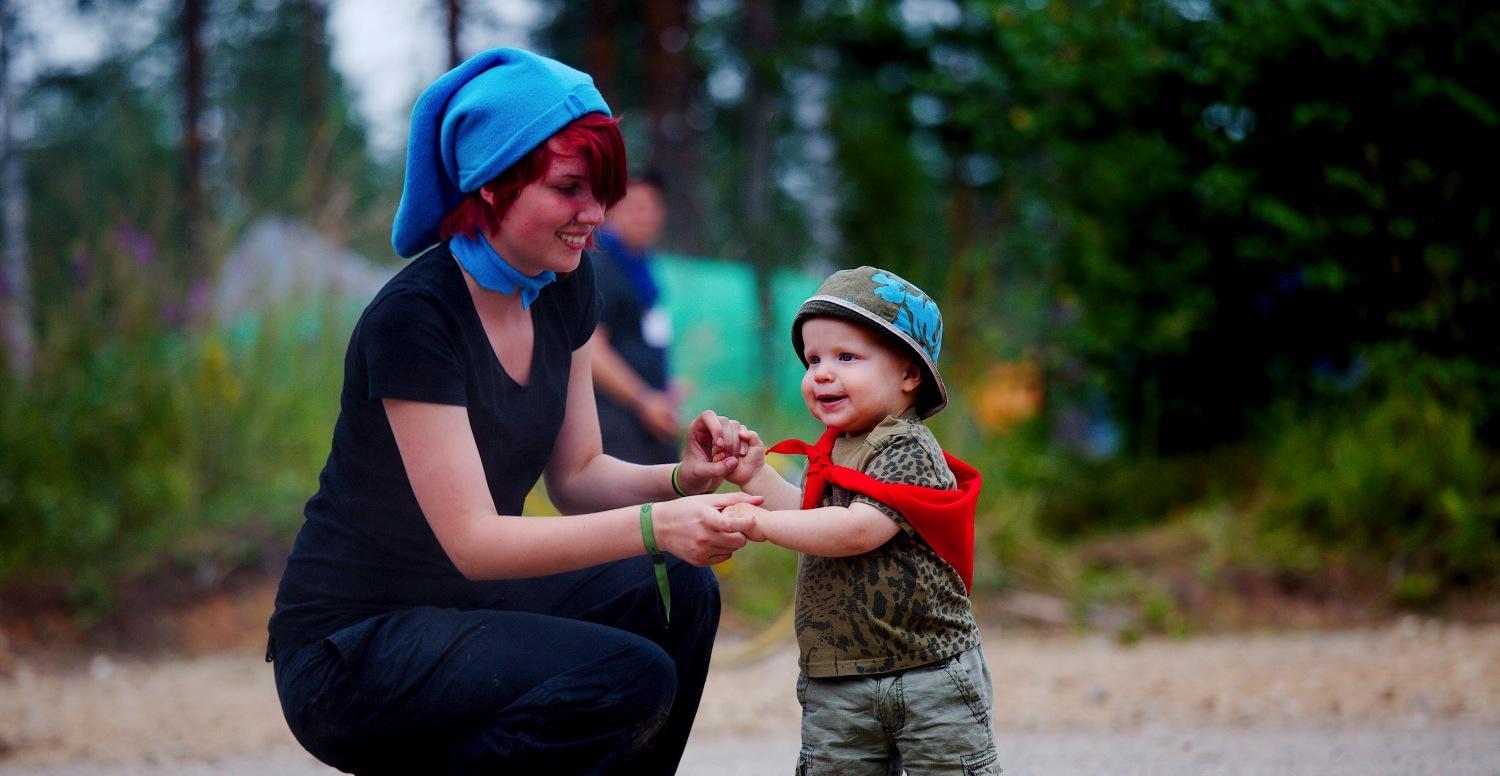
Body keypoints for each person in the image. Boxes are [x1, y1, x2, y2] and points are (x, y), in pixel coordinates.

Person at [266, 48, 761, 775]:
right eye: (569, 189)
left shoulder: (565, 285)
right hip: (352, 649)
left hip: (462, 606)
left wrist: (681, 482)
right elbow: (474, 540)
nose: (595, 216)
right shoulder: (416, 316)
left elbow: (578, 476)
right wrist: (659, 526)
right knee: (628, 674)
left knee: (680, 591)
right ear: (492, 185)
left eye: (604, 191)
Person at [721, 266, 997, 775]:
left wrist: (759, 527)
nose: (822, 373)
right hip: (838, 678)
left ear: (910, 374)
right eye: (813, 359)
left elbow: (855, 530)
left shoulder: (908, 448)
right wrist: (755, 477)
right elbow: (809, 518)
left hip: (928, 674)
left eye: (846, 357)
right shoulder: (833, 452)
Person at [590, 173, 679, 465]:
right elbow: (591, 350)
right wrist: (644, 399)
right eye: (638, 206)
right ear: (610, 209)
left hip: (650, 422)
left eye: (656, 206)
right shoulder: (598, 263)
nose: (649, 216)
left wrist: (666, 390)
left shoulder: (642, 268)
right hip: (614, 426)